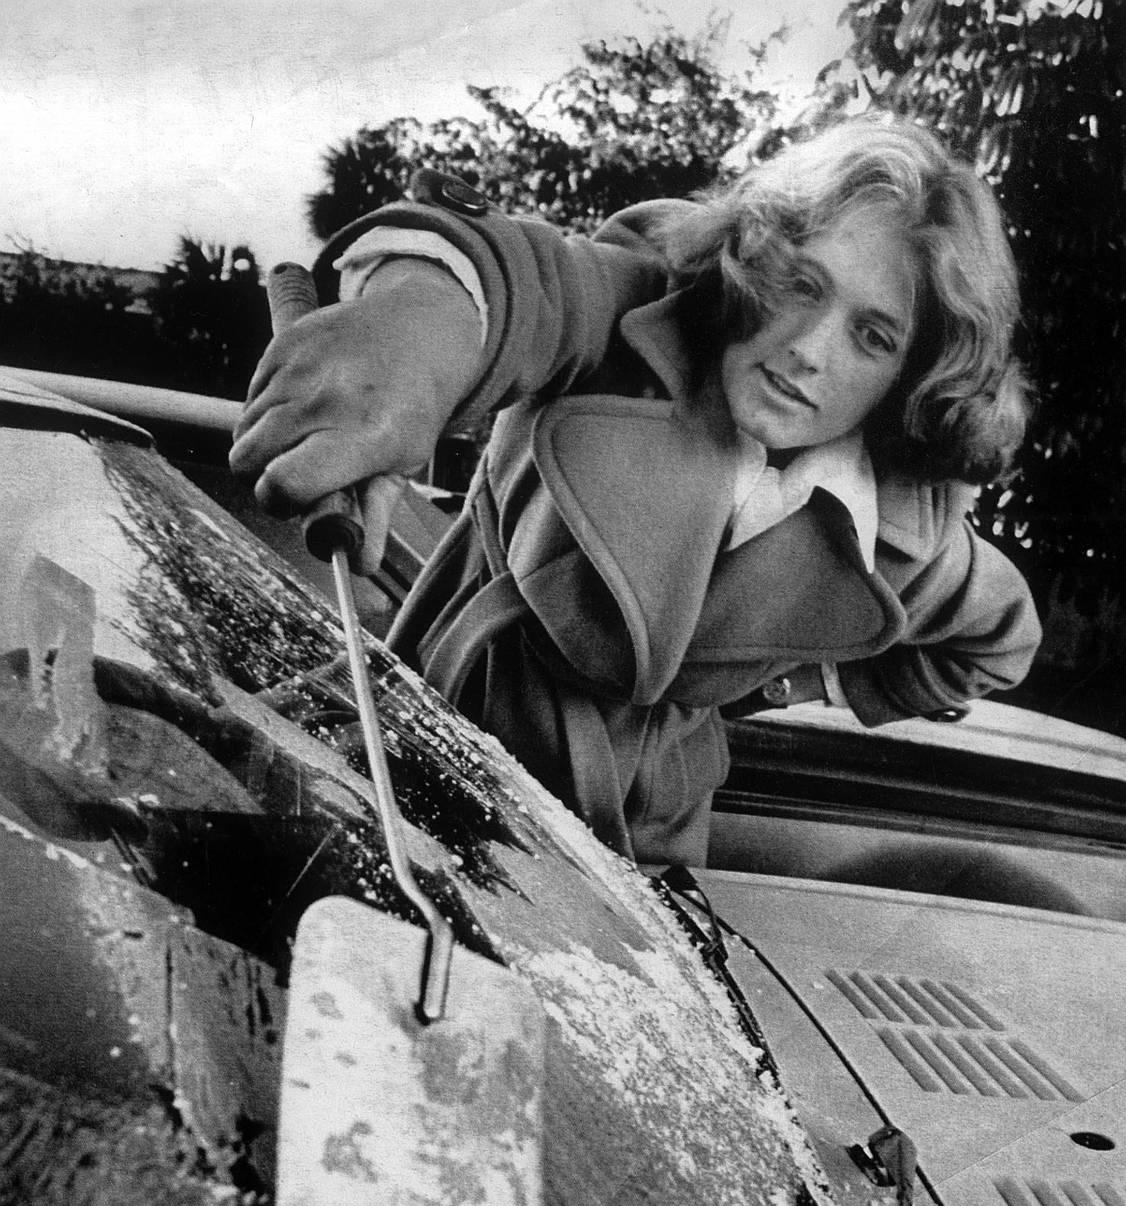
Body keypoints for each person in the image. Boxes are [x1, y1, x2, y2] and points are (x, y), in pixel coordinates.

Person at [231, 115, 1042, 868]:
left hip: (644, 864)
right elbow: (526, 278)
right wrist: (423, 326)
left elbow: (1000, 641)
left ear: (913, 374)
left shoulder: (895, 534)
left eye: (873, 335)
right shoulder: (646, 312)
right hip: (422, 753)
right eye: (802, 285)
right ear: (758, 257)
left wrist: (782, 685)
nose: (806, 350)